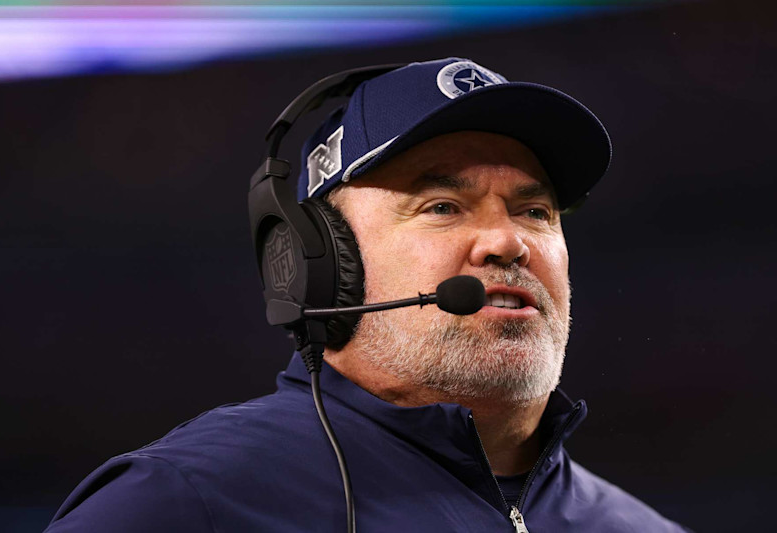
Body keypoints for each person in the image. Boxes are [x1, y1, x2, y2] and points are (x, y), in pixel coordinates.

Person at [45, 58, 691, 532]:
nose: (506, 241)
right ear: (317, 263)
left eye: (535, 211)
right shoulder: (185, 503)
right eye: (442, 205)